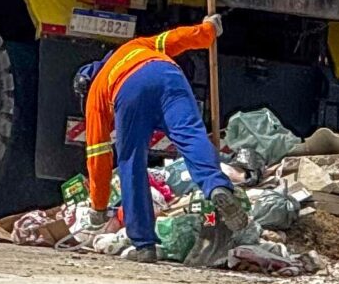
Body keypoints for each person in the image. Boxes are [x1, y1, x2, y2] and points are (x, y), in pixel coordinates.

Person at [76, 16, 246, 262]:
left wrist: (99, 207)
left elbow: (98, 159)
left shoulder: (95, 93)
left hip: (128, 91)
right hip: (167, 74)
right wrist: (208, 30)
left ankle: (144, 245)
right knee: (191, 134)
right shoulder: (132, 46)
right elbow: (176, 39)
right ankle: (216, 185)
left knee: (131, 162)